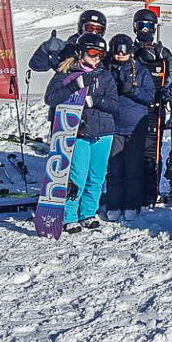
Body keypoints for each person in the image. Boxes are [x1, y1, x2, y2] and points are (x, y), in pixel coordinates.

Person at [44, 33, 119, 233]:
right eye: (93, 52)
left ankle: (88, 212)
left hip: (104, 131)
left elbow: (114, 104)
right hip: (78, 131)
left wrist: (96, 101)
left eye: (101, 54)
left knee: (97, 176)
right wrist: (73, 86)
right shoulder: (66, 72)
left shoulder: (105, 75)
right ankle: (70, 215)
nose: (97, 58)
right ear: (81, 52)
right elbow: (51, 98)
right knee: (78, 175)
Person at [105, 33, 155, 220]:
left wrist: (132, 90)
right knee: (115, 167)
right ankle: (114, 203)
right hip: (114, 124)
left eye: (123, 53)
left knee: (133, 167)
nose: (120, 56)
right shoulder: (107, 70)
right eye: (117, 53)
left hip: (135, 126)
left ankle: (132, 204)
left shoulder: (140, 71)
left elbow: (150, 96)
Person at [132, 8, 172, 206]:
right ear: (135, 27)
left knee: (151, 152)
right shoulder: (129, 51)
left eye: (149, 26)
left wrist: (166, 59)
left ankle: (150, 192)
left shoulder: (162, 55)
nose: (145, 30)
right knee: (130, 153)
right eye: (141, 26)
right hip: (131, 110)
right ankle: (131, 191)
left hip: (154, 111)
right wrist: (136, 54)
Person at [29, 9, 107, 72]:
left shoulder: (103, 52)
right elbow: (37, 65)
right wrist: (44, 50)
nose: (94, 32)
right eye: (89, 28)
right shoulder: (68, 48)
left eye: (98, 29)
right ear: (81, 28)